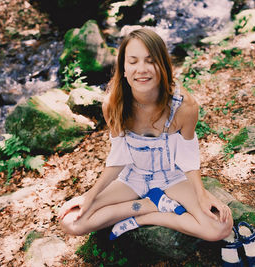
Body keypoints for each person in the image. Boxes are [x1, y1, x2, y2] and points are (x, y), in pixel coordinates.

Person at [58, 28, 233, 243]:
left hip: (173, 177)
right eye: (133, 61)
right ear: (123, 68)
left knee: (220, 227)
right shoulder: (112, 105)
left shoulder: (185, 106)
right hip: (133, 177)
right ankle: (147, 205)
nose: (142, 69)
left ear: (163, 66)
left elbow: (188, 156)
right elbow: (119, 157)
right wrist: (89, 196)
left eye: (150, 61)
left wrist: (201, 194)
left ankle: (147, 217)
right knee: (71, 221)